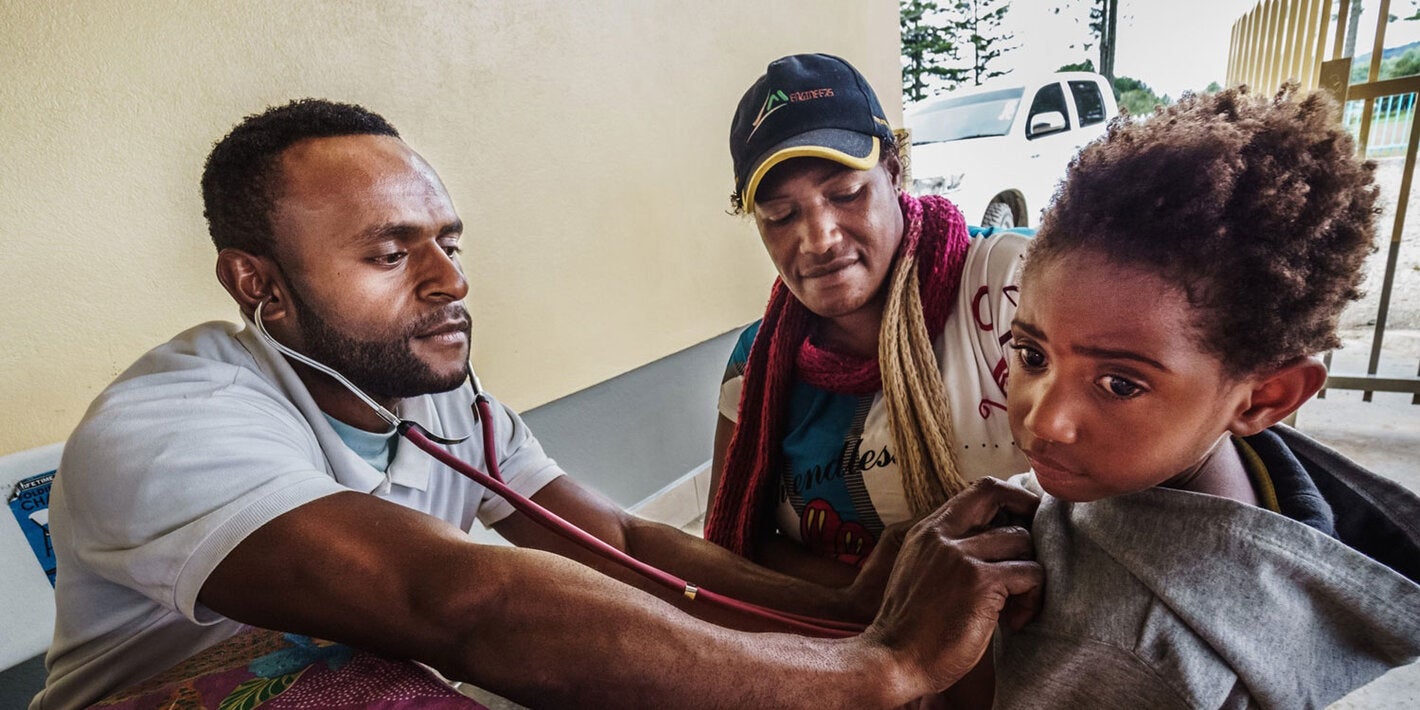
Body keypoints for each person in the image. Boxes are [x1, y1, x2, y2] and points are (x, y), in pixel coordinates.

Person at [33, 98, 1045, 710]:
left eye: (447, 240)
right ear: (259, 284)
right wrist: (880, 670)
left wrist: (847, 611)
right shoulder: (166, 427)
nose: (449, 281)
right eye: (392, 251)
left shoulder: (440, 406)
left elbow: (626, 547)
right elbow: (468, 601)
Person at [992, 85, 1420, 707]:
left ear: (1263, 399)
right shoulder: (1215, 465)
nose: (1046, 420)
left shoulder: (1137, 659)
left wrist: (919, 669)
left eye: (1120, 384)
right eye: (1033, 356)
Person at [706, 53, 1030, 585]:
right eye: (781, 215)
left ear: (895, 172)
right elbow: (738, 548)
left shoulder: (1010, 288)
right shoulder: (755, 363)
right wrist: (879, 601)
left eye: (845, 194)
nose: (819, 239)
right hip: (852, 651)